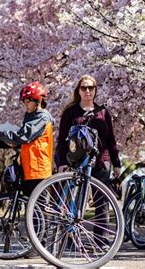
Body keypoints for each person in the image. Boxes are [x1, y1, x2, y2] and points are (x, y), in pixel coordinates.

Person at [56, 75, 121, 248]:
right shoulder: (70, 112)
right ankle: (69, 238)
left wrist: (116, 163)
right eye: (84, 88)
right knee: (74, 200)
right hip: (76, 161)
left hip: (101, 160)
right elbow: (62, 139)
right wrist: (62, 162)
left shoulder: (103, 112)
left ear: (95, 90)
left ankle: (101, 240)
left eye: (91, 88)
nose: (87, 91)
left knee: (102, 201)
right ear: (78, 90)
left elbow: (111, 139)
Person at [0, 82, 55, 196]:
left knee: (38, 209)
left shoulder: (42, 117)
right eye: (24, 102)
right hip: (29, 168)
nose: (25, 105)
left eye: (28, 101)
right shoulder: (32, 116)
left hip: (38, 170)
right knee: (30, 207)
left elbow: (24, 136)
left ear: (38, 100)